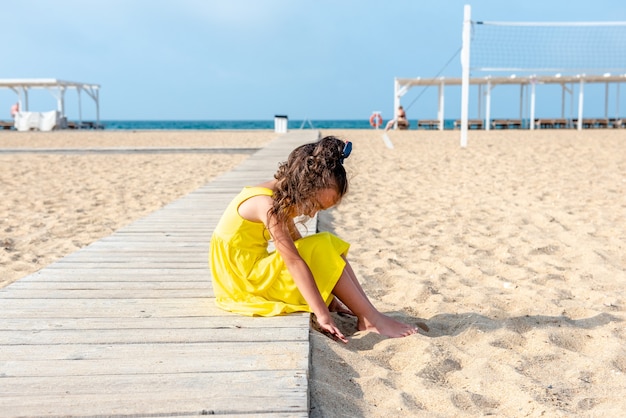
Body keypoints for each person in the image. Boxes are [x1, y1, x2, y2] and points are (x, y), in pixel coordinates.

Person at [209, 135, 418, 343]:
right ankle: (370, 318)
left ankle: (368, 314)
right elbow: (294, 260)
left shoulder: (277, 195)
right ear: (303, 188)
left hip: (248, 275)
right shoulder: (267, 205)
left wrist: (329, 292)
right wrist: (323, 315)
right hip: (244, 285)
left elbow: (300, 248)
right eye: (314, 206)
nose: (310, 215)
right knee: (321, 244)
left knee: (326, 243)